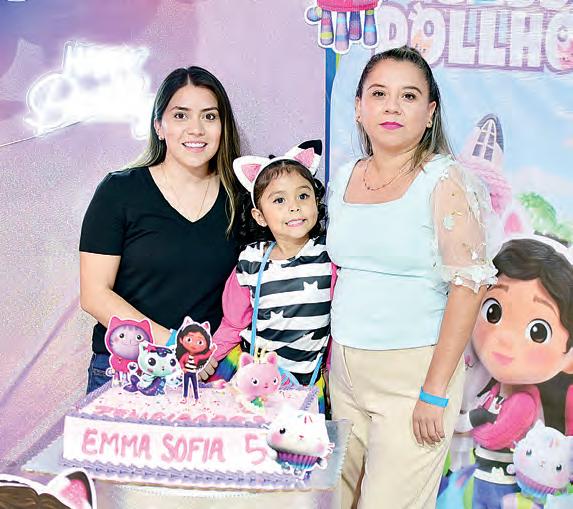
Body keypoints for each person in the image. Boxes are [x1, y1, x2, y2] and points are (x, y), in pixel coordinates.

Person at [326, 46, 501, 508]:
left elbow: (469, 288)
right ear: (359, 107)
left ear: (430, 113)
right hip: (345, 369)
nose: (392, 107)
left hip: (414, 375)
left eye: (408, 96)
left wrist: (434, 392)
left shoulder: (445, 181)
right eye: (378, 94)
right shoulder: (344, 177)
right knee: (335, 499)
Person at [79, 66, 242, 394]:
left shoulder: (241, 198)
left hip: (207, 376)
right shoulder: (119, 191)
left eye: (209, 116)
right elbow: (94, 294)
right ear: (159, 126)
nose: (196, 129)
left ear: (223, 127)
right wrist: (175, 346)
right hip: (126, 371)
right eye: (181, 115)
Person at [208, 140, 334, 411]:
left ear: (316, 201)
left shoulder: (329, 255)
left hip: (307, 383)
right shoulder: (251, 260)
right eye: (279, 200)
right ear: (260, 216)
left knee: (299, 437)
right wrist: (208, 356)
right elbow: (233, 324)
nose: (294, 207)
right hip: (255, 381)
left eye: (303, 196)